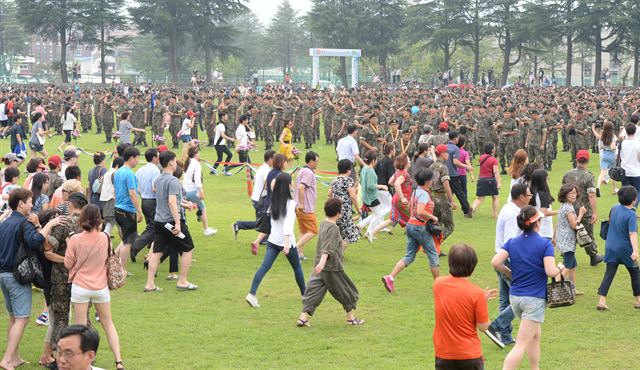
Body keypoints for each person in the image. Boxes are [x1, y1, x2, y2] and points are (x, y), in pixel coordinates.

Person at [491, 206, 564, 370]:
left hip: (515, 298)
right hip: (534, 299)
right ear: (536, 223)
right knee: (521, 344)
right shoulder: (545, 244)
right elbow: (550, 271)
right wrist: (561, 268)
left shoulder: (512, 242)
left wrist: (509, 273)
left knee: (535, 335)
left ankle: (534, 367)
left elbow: (495, 262)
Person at [0, 188, 63, 370]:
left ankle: (15, 356)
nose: (32, 205)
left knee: (13, 317)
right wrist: (49, 225)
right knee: (22, 318)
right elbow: (36, 241)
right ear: (21, 203)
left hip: (3, 274)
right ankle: (6, 359)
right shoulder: (24, 223)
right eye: (29, 202)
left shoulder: (4, 223)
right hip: (17, 276)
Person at [65, 205, 124, 370]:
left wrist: (69, 244)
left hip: (80, 287)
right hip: (100, 287)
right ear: (99, 219)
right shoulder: (105, 237)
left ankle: (84, 363)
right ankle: (118, 360)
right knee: (108, 324)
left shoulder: (75, 239)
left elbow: (68, 264)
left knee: (80, 329)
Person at [296, 198, 363, 327]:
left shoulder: (323, 223)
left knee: (314, 290)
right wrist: (322, 263)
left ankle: (302, 318)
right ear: (338, 213)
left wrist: (319, 264)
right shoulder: (333, 228)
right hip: (331, 267)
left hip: (320, 266)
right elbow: (327, 247)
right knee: (346, 291)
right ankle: (351, 318)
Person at [246, 173, 306, 308]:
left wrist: (257, 240)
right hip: (286, 242)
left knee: (264, 267)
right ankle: (305, 295)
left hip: (272, 241)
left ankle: (252, 294)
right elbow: (288, 225)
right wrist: (286, 244)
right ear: (288, 186)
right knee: (297, 267)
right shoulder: (290, 204)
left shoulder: (272, 202)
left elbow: (267, 225)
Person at [433, 244, 497, 370]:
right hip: (469, 356)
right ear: (472, 266)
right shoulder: (476, 293)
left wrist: (480, 300)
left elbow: (456, 299)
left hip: (444, 354)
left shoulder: (438, 284)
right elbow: (483, 327)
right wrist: (480, 301)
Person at [144, 150, 199, 292]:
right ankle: (182, 281)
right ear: (170, 163)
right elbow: (171, 201)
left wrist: (183, 204)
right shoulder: (173, 180)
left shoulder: (158, 179)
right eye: (175, 161)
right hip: (170, 222)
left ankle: (150, 284)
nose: (176, 163)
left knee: (156, 252)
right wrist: (178, 223)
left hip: (158, 222)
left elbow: (167, 199)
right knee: (188, 248)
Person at [485, 183, 531, 348]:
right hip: (507, 260)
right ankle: (496, 325)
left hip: (500, 257)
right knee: (521, 299)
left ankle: (504, 335)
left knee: (505, 299)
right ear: (521, 197)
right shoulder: (513, 214)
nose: (530, 197)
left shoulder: (508, 209)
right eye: (529, 195)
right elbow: (511, 242)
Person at [44, 192, 87, 360]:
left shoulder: (62, 224)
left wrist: (65, 260)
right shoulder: (89, 224)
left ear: (70, 205)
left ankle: (58, 355)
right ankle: (83, 353)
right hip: (83, 279)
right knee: (83, 318)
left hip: (61, 277)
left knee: (60, 319)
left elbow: (47, 249)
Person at [382, 168, 440, 293]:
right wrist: (432, 217)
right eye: (432, 179)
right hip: (420, 227)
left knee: (409, 256)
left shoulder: (416, 191)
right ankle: (439, 286)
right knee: (433, 255)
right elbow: (420, 211)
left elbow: (409, 207)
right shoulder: (424, 194)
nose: (434, 180)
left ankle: (390, 277)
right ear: (427, 182)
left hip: (410, 225)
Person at [596, 186, 640, 310]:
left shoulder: (614, 208)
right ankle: (638, 300)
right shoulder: (631, 214)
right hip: (625, 249)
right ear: (634, 199)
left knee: (609, 273)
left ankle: (602, 300)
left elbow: (614, 220)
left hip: (610, 246)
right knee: (635, 272)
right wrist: (635, 250)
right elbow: (632, 234)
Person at [561, 149, 603, 265]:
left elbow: (563, 192)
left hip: (569, 210)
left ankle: (567, 256)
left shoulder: (567, 175)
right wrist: (594, 212)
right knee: (587, 235)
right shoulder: (589, 176)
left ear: (576, 160)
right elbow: (591, 195)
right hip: (584, 211)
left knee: (569, 233)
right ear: (587, 161)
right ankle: (593, 257)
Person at [367, 153, 413, 243]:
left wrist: (399, 191)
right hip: (401, 200)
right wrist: (402, 196)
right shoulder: (404, 174)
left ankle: (372, 232)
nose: (410, 161)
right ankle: (417, 241)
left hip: (396, 199)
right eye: (408, 160)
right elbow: (396, 184)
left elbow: (390, 182)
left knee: (392, 220)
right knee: (412, 219)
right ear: (405, 163)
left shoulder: (397, 172)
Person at [233, 150, 275, 246]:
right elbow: (266, 183)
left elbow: (254, 180)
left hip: (256, 198)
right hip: (261, 199)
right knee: (262, 222)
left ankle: (264, 239)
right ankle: (238, 225)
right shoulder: (266, 170)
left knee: (263, 221)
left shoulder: (262, 167)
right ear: (270, 159)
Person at [113, 146, 143, 274]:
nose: (137, 161)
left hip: (117, 208)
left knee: (127, 237)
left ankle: (113, 263)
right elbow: (132, 193)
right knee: (128, 242)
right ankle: (121, 269)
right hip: (127, 210)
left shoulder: (117, 172)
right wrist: (139, 211)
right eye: (137, 158)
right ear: (131, 158)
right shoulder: (130, 174)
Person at [555, 183, 586, 293]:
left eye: (575, 192)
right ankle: (556, 286)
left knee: (573, 265)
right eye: (571, 193)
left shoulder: (563, 206)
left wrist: (554, 238)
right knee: (567, 266)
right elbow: (574, 225)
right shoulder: (568, 208)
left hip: (562, 240)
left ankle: (572, 288)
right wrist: (581, 214)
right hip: (567, 241)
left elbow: (558, 224)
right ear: (565, 194)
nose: (574, 195)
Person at [131, 148, 160, 261]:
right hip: (153, 201)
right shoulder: (156, 170)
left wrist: (141, 192)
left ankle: (152, 246)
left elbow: (134, 183)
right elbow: (154, 188)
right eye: (157, 156)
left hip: (144, 201)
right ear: (153, 158)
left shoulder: (141, 169)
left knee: (151, 226)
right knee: (152, 228)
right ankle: (135, 247)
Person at [184, 146, 218, 236]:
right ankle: (206, 229)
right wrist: (201, 191)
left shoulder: (188, 162)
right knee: (203, 208)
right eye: (198, 152)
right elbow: (197, 179)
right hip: (193, 190)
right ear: (196, 154)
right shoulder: (196, 164)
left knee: (184, 209)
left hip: (184, 190)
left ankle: (197, 216)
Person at [328, 159, 360, 245]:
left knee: (339, 233)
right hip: (345, 210)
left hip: (335, 210)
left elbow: (329, 193)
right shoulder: (348, 180)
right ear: (349, 170)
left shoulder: (335, 180)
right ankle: (338, 255)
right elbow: (353, 196)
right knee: (348, 235)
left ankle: (334, 253)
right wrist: (358, 209)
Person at [357, 151, 388, 237]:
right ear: (374, 160)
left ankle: (360, 225)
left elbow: (361, 181)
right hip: (371, 197)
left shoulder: (364, 168)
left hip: (366, 195)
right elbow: (370, 186)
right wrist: (382, 186)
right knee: (378, 214)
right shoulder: (370, 170)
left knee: (375, 214)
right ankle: (368, 232)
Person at [295, 151, 319, 260]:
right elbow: (301, 187)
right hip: (305, 208)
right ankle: (294, 249)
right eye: (316, 161)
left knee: (303, 231)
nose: (317, 163)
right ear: (311, 161)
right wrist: (301, 204)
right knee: (314, 231)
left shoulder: (301, 171)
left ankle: (299, 254)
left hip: (299, 207)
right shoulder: (309, 173)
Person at [446, 131, 472, 217]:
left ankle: (445, 210)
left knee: (445, 192)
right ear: (456, 138)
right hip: (453, 174)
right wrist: (466, 166)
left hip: (444, 173)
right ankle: (467, 210)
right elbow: (455, 162)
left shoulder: (445, 147)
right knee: (459, 192)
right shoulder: (455, 148)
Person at [471, 143, 501, 218]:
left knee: (480, 198)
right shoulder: (494, 160)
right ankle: (495, 214)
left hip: (481, 179)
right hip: (490, 180)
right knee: (495, 197)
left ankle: (472, 209)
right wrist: (498, 182)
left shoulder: (481, 158)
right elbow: (495, 172)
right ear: (492, 150)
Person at [591, 120, 617, 196]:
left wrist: (593, 129)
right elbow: (613, 147)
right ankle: (614, 189)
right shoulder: (613, 137)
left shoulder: (602, 136)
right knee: (613, 173)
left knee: (602, 173)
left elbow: (597, 136)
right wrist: (615, 145)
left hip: (604, 156)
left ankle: (598, 186)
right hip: (612, 156)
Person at [100, 158, 124, 237]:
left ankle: (126, 242)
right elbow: (117, 189)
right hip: (112, 200)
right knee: (114, 222)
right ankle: (126, 242)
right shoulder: (115, 173)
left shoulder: (107, 173)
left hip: (105, 200)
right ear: (117, 165)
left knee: (112, 222)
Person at [529, 169, 556, 241]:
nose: (548, 180)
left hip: (533, 229)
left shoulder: (530, 193)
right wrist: (559, 211)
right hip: (544, 231)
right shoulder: (543, 195)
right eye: (547, 178)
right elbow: (543, 212)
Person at [619, 123, 640, 203]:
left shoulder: (622, 143)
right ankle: (632, 208)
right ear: (635, 131)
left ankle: (627, 209)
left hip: (625, 171)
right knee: (637, 192)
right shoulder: (638, 143)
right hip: (636, 171)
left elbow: (620, 156)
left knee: (625, 193)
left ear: (626, 132)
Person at [212, 111, 235, 176]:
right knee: (220, 158)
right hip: (219, 144)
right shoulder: (221, 125)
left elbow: (214, 130)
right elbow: (222, 135)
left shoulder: (220, 124)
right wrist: (230, 139)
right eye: (226, 115)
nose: (227, 117)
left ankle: (224, 169)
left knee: (229, 155)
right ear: (223, 116)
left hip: (221, 144)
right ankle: (214, 170)